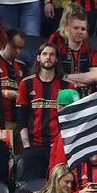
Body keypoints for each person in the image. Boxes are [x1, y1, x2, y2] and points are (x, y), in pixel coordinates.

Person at [16, 43, 67, 179]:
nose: (48, 57)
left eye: (52, 54)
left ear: (57, 59)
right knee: (33, 190)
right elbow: (21, 119)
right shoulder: (26, 84)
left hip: (57, 148)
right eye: (44, 54)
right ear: (38, 58)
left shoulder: (66, 86)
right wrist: (27, 146)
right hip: (33, 147)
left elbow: (71, 120)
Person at [52, 6, 97, 97]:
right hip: (61, 99)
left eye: (83, 29)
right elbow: (52, 76)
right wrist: (83, 78)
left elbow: (94, 76)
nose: (80, 32)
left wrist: (65, 77)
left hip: (86, 100)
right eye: (76, 28)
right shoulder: (58, 52)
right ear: (67, 29)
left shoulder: (93, 54)